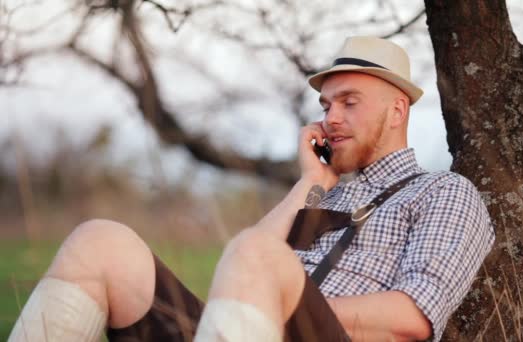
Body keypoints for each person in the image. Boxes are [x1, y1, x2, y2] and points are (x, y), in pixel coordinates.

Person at [8, 36, 494, 342]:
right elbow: (239, 265)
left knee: (260, 256)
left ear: (396, 111)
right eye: (327, 105)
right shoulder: (323, 194)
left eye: (350, 102)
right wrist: (311, 182)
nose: (331, 117)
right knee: (101, 242)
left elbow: (413, 317)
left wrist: (279, 305)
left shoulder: (444, 193)